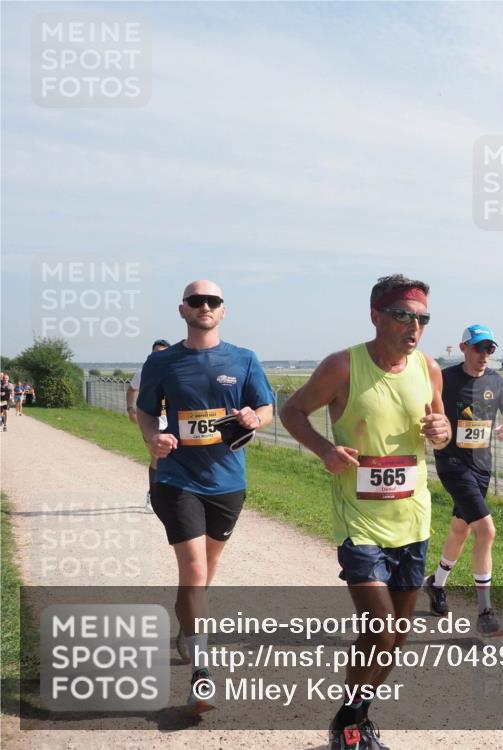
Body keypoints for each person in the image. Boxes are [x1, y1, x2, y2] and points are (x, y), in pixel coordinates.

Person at [280, 274, 450, 750]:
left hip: (412, 518)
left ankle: (354, 716)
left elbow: (441, 432)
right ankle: (350, 724)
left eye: (422, 319)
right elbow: (293, 411)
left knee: (396, 636)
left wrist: (442, 430)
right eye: (403, 316)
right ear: (376, 315)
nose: (414, 328)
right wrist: (323, 450)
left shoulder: (430, 369)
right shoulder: (343, 366)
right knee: (380, 626)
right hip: (361, 521)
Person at [136, 280, 274, 715]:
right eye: (196, 301)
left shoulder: (244, 359)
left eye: (212, 301)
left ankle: (187, 626)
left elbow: (266, 408)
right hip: (177, 480)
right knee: (194, 569)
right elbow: (144, 410)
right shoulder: (164, 362)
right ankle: (202, 671)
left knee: (204, 573)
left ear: (223, 310)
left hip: (228, 483)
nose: (205, 307)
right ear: (183, 310)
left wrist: (255, 417)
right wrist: (152, 440)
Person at [425, 324, 503, 636]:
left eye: (489, 349)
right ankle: (485, 612)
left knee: (460, 529)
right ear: (463, 347)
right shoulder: (446, 378)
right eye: (479, 348)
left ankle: (435, 584)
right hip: (452, 464)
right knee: (486, 530)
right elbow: (424, 406)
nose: (484, 355)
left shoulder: (496, 381)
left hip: (481, 467)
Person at [127, 339, 171, 513]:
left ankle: (174, 495)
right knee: (157, 458)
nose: (160, 356)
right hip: (151, 422)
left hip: (173, 422)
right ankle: (153, 496)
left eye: (164, 352)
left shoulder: (175, 370)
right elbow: (131, 389)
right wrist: (131, 409)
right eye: (156, 352)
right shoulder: (144, 371)